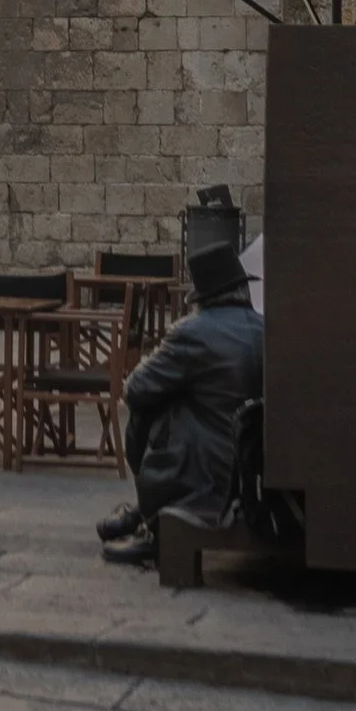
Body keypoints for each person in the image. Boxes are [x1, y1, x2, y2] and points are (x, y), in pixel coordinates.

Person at [96, 241, 264, 569]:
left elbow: (135, 389)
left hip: (212, 469)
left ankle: (157, 516)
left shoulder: (193, 332)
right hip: (256, 463)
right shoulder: (264, 328)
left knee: (155, 406)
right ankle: (149, 511)